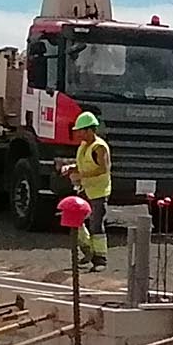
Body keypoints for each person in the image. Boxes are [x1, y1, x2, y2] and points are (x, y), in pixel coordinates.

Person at [70, 110, 111, 269]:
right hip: (85, 189)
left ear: (89, 130)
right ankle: (88, 251)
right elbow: (83, 164)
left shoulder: (99, 147)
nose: (78, 134)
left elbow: (103, 168)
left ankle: (100, 259)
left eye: (80, 130)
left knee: (96, 225)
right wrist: (72, 168)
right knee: (76, 220)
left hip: (98, 192)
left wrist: (81, 175)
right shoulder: (83, 146)